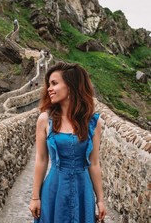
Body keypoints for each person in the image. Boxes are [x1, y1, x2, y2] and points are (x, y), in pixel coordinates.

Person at [29, 62, 107, 222]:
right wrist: (35, 197)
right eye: (49, 84)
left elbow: (94, 163)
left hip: (82, 190)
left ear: (71, 86)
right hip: (54, 188)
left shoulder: (92, 122)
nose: (49, 88)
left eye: (54, 83)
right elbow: (41, 159)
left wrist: (100, 200)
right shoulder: (45, 119)